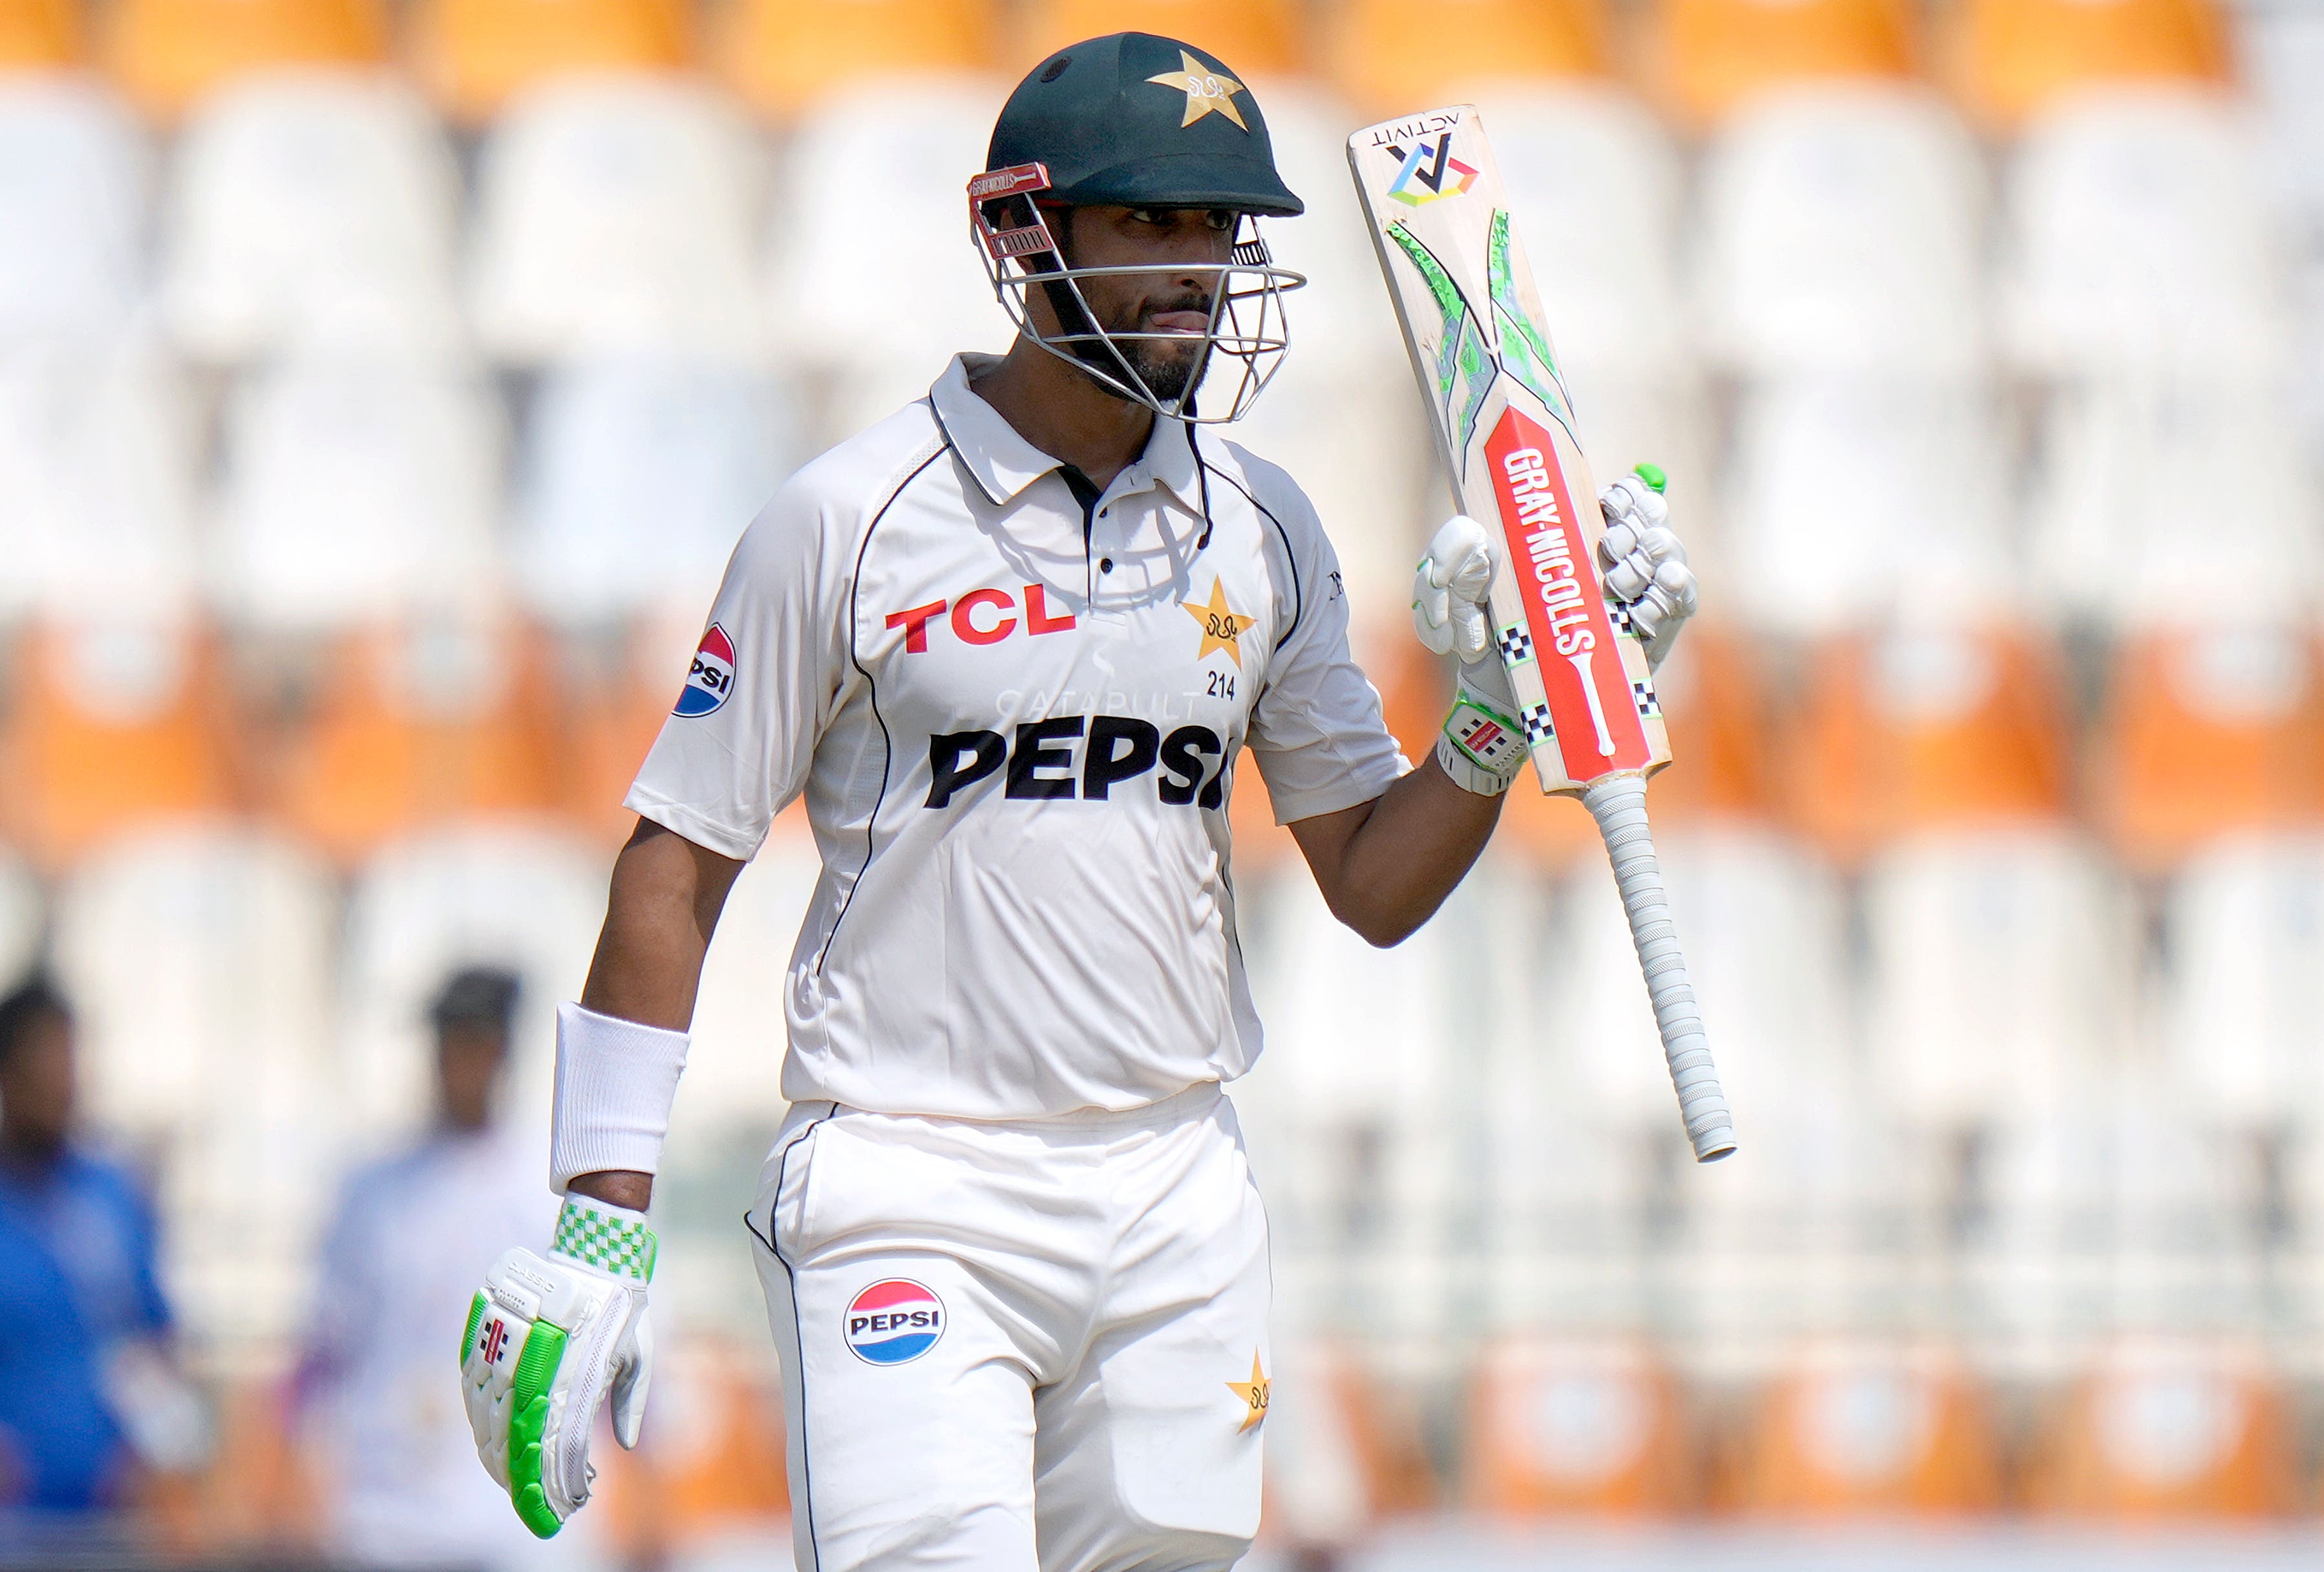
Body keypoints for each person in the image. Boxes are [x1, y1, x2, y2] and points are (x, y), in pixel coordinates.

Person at [460, 30, 1698, 1571]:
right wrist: (602, 1212)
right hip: (910, 1182)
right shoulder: (849, 520)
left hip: (1176, 1185)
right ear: (1023, 235)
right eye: (1155, 225)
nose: (1202, 269)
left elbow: (1373, 885)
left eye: (1220, 228)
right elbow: (673, 866)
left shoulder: (1267, 528)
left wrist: (1503, 709)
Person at [303, 968, 562, 1568]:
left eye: (475, 1042)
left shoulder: (546, 1190)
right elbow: (323, 1342)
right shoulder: (371, 1188)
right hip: (384, 1507)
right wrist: (292, 1458)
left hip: (511, 1514)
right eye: (449, 1043)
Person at [0, 973, 197, 1525]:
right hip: (17, 1525)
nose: (64, 1081)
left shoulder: (109, 1195)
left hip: (111, 1521)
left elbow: (149, 1340)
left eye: (70, 1059)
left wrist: (174, 1454)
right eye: (45, 1061)